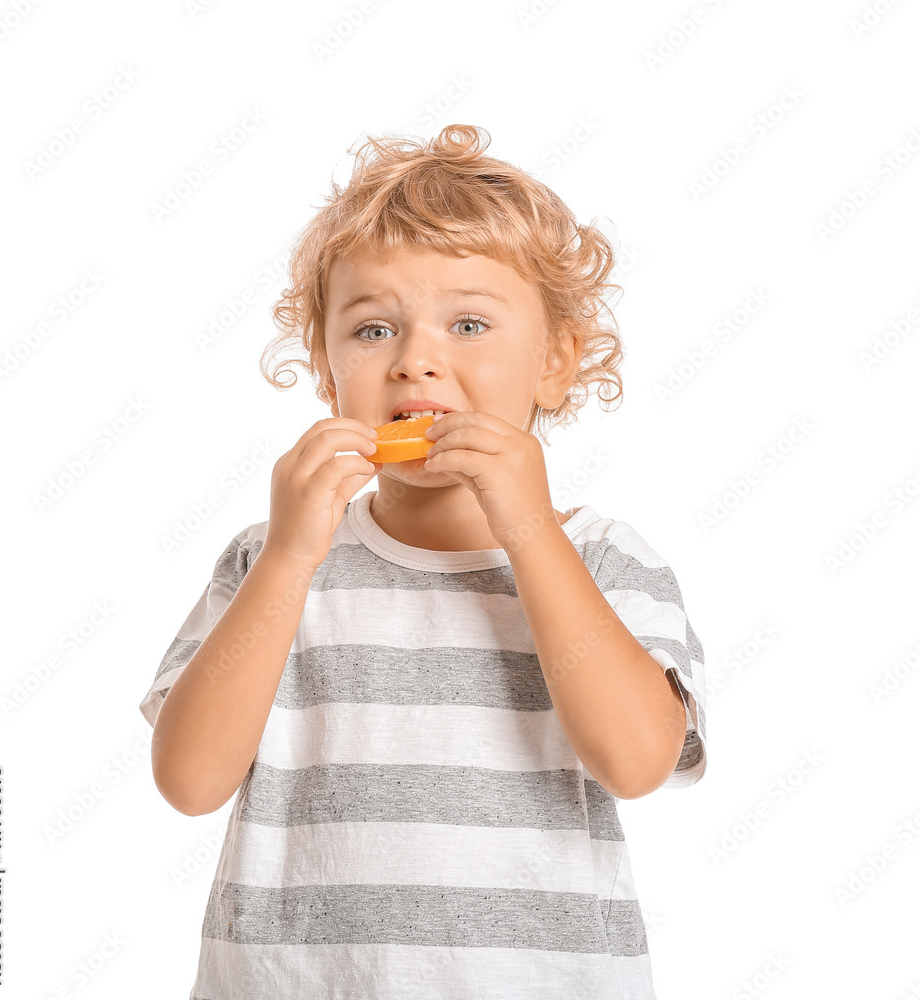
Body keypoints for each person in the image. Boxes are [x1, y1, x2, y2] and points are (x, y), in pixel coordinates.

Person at [139, 123, 707, 999]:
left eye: (469, 322)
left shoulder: (604, 557)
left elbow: (638, 762)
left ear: (555, 361)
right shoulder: (270, 555)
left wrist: (529, 531)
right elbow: (188, 781)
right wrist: (292, 553)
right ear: (328, 375)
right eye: (372, 330)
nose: (415, 363)